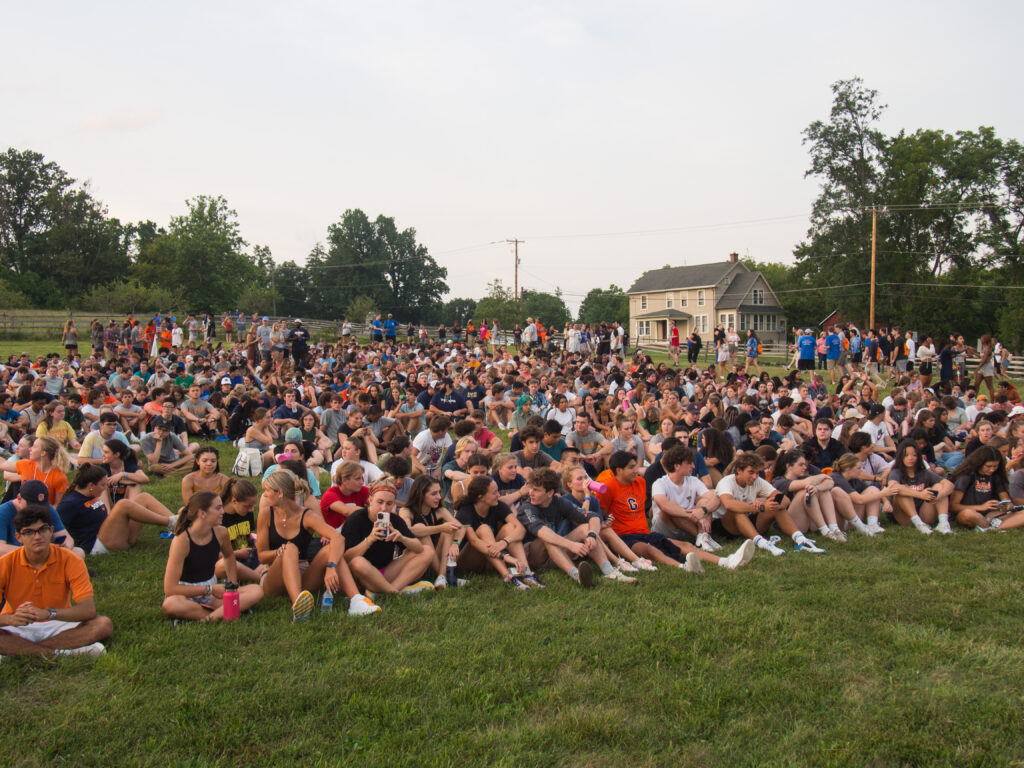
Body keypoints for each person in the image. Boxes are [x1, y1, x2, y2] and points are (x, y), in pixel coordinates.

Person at [595, 451, 745, 573]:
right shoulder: (607, 488)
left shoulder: (640, 482)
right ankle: (683, 567)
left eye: (636, 466)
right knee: (651, 550)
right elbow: (601, 513)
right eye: (631, 467)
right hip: (624, 536)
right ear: (619, 470)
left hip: (644, 532)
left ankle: (725, 561)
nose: (636, 470)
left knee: (685, 545)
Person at [257, 469, 377, 620]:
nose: (265, 495)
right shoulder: (266, 514)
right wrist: (279, 552)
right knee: (290, 548)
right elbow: (261, 557)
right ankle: (298, 607)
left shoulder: (306, 516)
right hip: (273, 575)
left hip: (302, 573)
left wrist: (331, 566)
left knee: (330, 549)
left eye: (267, 491)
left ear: (279, 493)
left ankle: (356, 601)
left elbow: (338, 539)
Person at [0, 503, 113, 658]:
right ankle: (61, 653)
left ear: (51, 531)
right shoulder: (5, 563)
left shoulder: (71, 560)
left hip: (58, 621)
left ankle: (21, 652)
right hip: (18, 625)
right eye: (29, 532)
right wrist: (11, 618)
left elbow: (88, 610)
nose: (37, 537)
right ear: (18, 537)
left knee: (103, 624)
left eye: (42, 530)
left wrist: (48, 613)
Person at [161, 491, 264, 623]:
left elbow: (229, 557)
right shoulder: (182, 541)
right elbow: (169, 588)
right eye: (218, 508)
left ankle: (206, 617)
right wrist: (209, 589)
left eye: (221, 507)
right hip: (186, 594)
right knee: (171, 604)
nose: (222, 512)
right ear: (201, 513)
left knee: (256, 591)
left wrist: (232, 586)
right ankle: (222, 613)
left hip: (213, 594)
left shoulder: (221, 532)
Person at [517, 467, 628, 587]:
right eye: (531, 489)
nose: (530, 493)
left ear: (550, 493)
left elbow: (593, 517)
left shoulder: (559, 502)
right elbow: (542, 532)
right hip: (535, 556)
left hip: (557, 553)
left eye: (536, 490)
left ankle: (609, 571)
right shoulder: (527, 508)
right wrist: (571, 545)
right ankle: (577, 575)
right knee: (547, 537)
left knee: (586, 528)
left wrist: (592, 535)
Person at [714, 452, 825, 556]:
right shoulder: (727, 481)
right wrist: (761, 507)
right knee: (737, 511)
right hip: (726, 525)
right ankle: (762, 543)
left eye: (757, 473)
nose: (755, 477)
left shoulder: (757, 481)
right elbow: (728, 504)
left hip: (749, 519)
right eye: (751, 472)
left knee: (776, 506)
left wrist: (771, 504)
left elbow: (785, 500)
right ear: (739, 470)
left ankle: (801, 540)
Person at [57, 464, 176, 555]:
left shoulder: (92, 495)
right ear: (91, 486)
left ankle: (179, 525)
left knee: (143, 497)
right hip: (96, 546)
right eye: (103, 485)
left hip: (113, 535)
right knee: (123, 504)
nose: (105, 487)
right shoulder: (70, 503)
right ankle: (169, 522)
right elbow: (56, 528)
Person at [341, 481, 434, 597]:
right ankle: (395, 593)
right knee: (357, 562)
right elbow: (346, 558)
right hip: (360, 576)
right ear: (370, 500)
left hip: (385, 573)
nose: (384, 508)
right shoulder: (356, 519)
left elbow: (419, 548)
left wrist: (402, 538)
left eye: (389, 504)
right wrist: (370, 539)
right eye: (380, 502)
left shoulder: (394, 520)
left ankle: (387, 590)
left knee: (428, 550)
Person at [453, 476, 535, 589]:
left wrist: (505, 542)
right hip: (468, 561)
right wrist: (505, 557)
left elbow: (521, 529)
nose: (498, 495)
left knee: (511, 527)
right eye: (494, 493)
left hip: (490, 557)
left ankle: (527, 573)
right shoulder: (465, 511)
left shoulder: (498, 505)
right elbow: (474, 541)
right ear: (481, 497)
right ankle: (508, 577)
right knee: (484, 528)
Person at [398, 475, 465, 589]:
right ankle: (445, 576)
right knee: (422, 530)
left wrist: (455, 543)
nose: (439, 497)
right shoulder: (406, 511)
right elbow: (409, 530)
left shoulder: (440, 511)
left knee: (449, 531)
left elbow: (461, 528)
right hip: (417, 558)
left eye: (439, 492)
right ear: (420, 494)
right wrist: (440, 528)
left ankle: (442, 576)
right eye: (434, 494)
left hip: (437, 559)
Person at [886, 439, 954, 535]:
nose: (910, 458)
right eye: (906, 455)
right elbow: (893, 486)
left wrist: (939, 495)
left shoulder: (924, 473)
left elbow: (950, 485)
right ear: (900, 457)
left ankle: (943, 524)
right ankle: (919, 524)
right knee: (901, 491)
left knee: (939, 486)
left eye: (914, 455)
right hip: (905, 516)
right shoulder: (896, 472)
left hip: (924, 513)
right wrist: (920, 494)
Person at [949, 445, 1024, 531]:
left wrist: (1006, 506)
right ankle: (994, 525)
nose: (992, 469)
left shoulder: (995, 476)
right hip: (969, 512)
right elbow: (953, 506)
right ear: (979, 463)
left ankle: (994, 528)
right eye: (988, 466)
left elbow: (1005, 499)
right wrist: (982, 507)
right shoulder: (966, 477)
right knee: (968, 514)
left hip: (991, 514)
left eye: (995, 466)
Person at [0, 481, 81, 558]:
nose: (36, 510)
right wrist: (33, 552)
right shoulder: (3, 512)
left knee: (78, 552)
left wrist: (65, 547)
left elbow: (66, 537)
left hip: (43, 554)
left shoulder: (47, 510)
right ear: (19, 498)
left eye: (40, 506)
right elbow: (1, 549)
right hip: (16, 557)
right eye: (31, 506)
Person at [0, 435, 70, 505]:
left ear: (43, 453)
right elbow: (3, 464)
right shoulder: (26, 464)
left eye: (34, 446)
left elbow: (58, 506)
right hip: (22, 510)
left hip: (43, 513)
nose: (30, 449)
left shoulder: (59, 477)